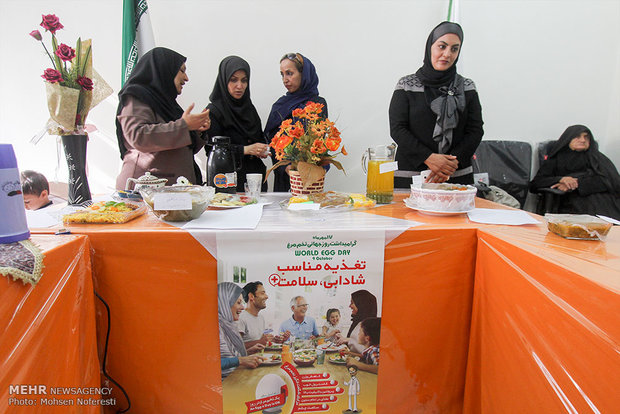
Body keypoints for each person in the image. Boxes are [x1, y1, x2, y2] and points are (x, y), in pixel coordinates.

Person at [389, 21, 484, 187]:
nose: (447, 54)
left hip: (456, 176)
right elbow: (398, 129)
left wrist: (448, 165)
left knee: (455, 214)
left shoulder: (467, 87)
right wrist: (430, 158)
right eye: (442, 46)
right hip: (410, 177)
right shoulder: (406, 85)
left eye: (454, 49)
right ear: (430, 47)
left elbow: (475, 130)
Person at [115, 47, 210, 190]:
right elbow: (138, 136)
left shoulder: (166, 103)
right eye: (182, 71)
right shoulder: (137, 97)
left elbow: (179, 147)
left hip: (171, 193)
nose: (186, 78)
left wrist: (196, 130)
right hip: (145, 193)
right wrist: (184, 126)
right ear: (164, 69)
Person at [264, 53, 328, 192]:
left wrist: (308, 168)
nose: (285, 80)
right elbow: (273, 142)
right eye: (282, 74)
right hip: (285, 177)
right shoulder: (280, 106)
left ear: (304, 74)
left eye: (289, 73)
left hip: (310, 176)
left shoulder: (317, 104)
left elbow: (319, 140)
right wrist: (285, 167)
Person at [205, 56, 269, 192]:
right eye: (233, 80)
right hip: (227, 183)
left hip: (254, 180)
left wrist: (261, 150)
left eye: (244, 80)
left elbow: (258, 138)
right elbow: (211, 150)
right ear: (224, 80)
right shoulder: (214, 111)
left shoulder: (249, 109)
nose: (240, 86)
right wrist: (246, 150)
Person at [530, 125, 620, 220]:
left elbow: (612, 181)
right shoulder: (556, 159)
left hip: (604, 199)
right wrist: (561, 179)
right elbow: (535, 184)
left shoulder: (597, 158)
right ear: (568, 139)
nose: (582, 140)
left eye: (586, 137)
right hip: (571, 201)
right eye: (577, 137)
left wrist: (578, 183)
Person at [218, 282, 264, 379]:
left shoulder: (228, 325)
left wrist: (248, 352)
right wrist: (241, 360)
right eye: (238, 303)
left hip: (235, 378)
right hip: (224, 386)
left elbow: (230, 357)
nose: (242, 307)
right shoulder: (211, 329)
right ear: (225, 303)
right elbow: (209, 364)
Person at [238, 282, 274, 349]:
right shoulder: (241, 318)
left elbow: (260, 341)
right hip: (247, 359)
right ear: (251, 296)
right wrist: (259, 342)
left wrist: (273, 340)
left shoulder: (261, 318)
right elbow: (235, 346)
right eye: (262, 293)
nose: (266, 296)